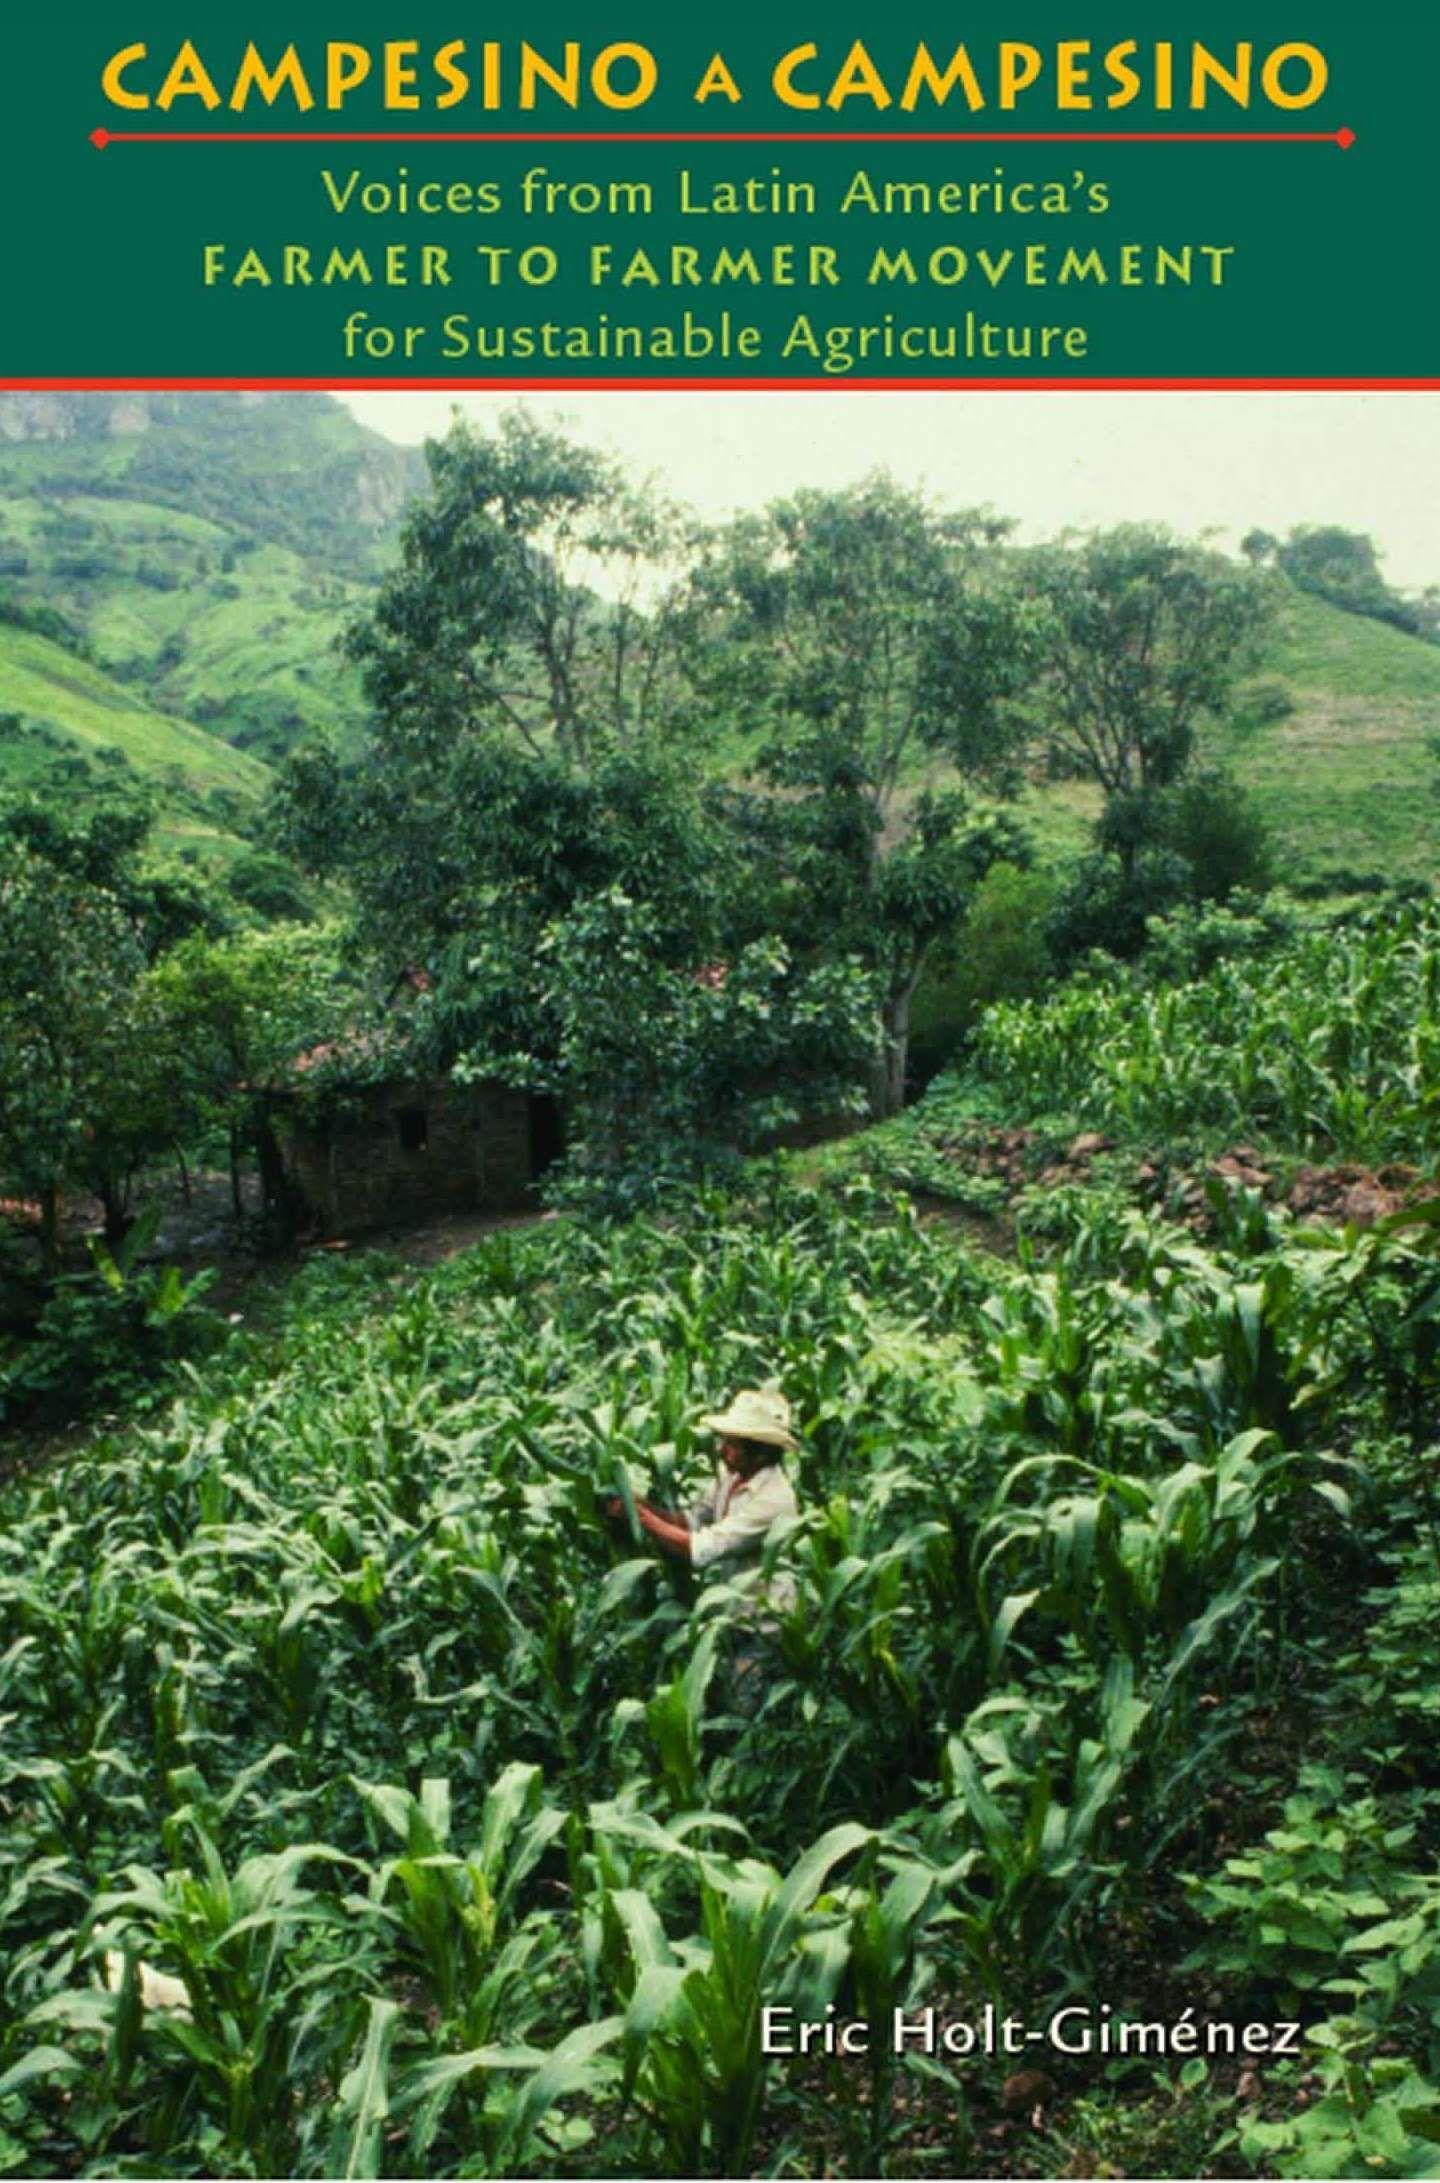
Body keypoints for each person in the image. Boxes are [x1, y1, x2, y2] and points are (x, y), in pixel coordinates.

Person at [602, 1387, 801, 1665]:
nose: (720, 1450)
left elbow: (702, 1548)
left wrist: (642, 1518)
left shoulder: (773, 1500)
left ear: (759, 1452)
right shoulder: (730, 1476)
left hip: (763, 1625)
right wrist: (641, 1504)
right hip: (731, 1613)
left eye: (731, 1444)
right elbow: (691, 1521)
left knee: (747, 1702)